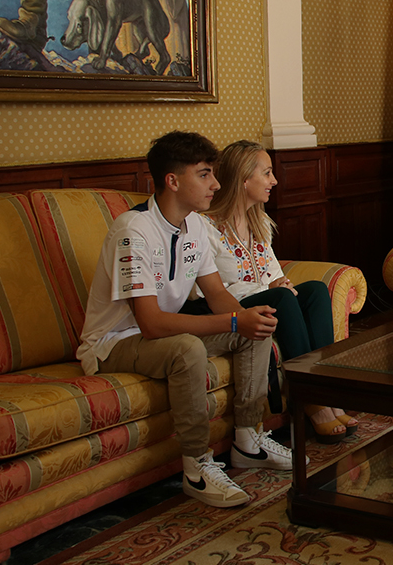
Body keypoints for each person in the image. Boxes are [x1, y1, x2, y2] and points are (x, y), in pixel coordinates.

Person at [77, 130, 294, 510]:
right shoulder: (133, 231)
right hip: (113, 343)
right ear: (173, 181)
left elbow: (216, 295)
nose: (216, 184)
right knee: (188, 348)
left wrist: (245, 319)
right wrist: (231, 323)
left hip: (156, 333)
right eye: (205, 174)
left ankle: (248, 439)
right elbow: (151, 326)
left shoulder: (195, 225)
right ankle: (197, 466)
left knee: (255, 326)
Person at [191, 139, 357, 444]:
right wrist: (271, 288)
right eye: (266, 173)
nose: (274, 180)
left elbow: (274, 274)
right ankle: (309, 399)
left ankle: (326, 389)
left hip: (265, 297)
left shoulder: (260, 222)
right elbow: (204, 289)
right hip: (225, 307)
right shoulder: (205, 227)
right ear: (243, 180)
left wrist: (282, 284)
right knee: (281, 296)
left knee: (315, 291)